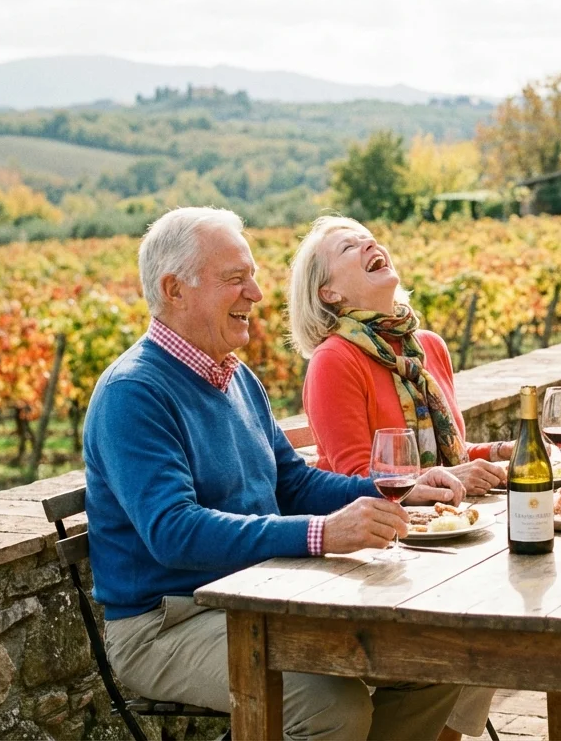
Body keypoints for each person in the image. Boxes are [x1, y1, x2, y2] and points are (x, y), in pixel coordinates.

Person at [84, 207, 464, 741]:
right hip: (168, 622)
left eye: (253, 277)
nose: (258, 294)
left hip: (259, 595)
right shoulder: (134, 393)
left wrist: (392, 490)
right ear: (175, 289)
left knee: (435, 660)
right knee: (331, 707)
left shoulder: (236, 378)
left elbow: (293, 483)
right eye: (236, 279)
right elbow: (174, 531)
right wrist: (321, 534)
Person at [287, 214, 511, 741]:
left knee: (500, 625)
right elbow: (352, 477)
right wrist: (446, 475)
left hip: (445, 532)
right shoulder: (334, 361)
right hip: (384, 550)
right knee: (480, 629)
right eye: (348, 246)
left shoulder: (426, 346)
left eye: (369, 236)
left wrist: (504, 451)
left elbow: (451, 451)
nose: (368, 242)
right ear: (330, 293)